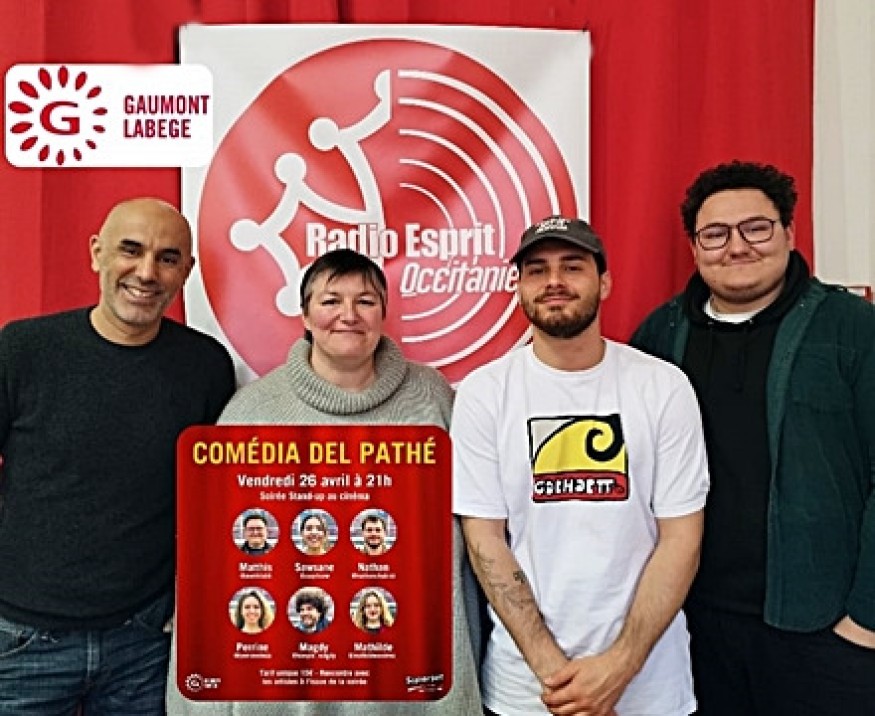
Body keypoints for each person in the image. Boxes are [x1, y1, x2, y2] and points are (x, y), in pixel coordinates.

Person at [167, 248, 482, 714]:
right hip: (293, 666)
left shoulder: (432, 398)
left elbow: (473, 524)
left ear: (383, 314)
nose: (348, 315)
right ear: (305, 316)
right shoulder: (253, 412)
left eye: (365, 301)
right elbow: (215, 562)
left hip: (408, 662)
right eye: (331, 301)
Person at [630, 160, 875, 716]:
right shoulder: (659, 335)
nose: (737, 247)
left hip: (822, 633)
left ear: (789, 232)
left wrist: (866, 619)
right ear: (694, 247)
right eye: (715, 234)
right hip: (693, 629)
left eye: (756, 228)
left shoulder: (853, 329)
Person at [452, 216, 709, 716]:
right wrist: (560, 681)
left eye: (572, 266)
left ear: (604, 282)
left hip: (649, 689)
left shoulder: (663, 386)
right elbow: (484, 540)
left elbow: (682, 538)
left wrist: (619, 668)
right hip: (528, 692)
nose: (554, 281)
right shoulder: (485, 392)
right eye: (537, 270)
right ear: (519, 287)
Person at [0, 197, 236, 715]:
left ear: (186, 271)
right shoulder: (22, 351)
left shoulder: (206, 366)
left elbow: (213, 499)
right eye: (131, 250)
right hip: (22, 639)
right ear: (97, 253)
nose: (147, 273)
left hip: (143, 642)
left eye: (167, 258)